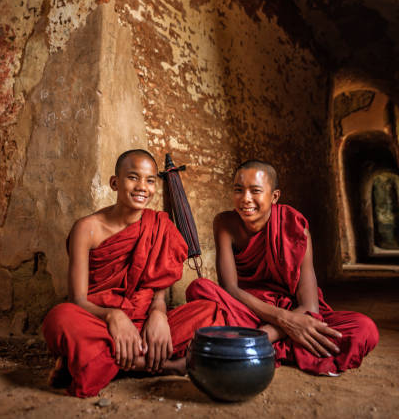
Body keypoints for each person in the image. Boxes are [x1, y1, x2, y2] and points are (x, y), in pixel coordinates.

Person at [43, 149, 224, 397]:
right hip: (101, 322)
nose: (142, 187)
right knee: (59, 318)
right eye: (133, 177)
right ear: (115, 183)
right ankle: (163, 365)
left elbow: (158, 290)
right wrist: (113, 317)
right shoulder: (86, 229)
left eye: (150, 180)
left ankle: (99, 361)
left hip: (145, 321)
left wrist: (159, 314)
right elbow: (77, 300)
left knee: (211, 313)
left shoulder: (160, 225)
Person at [186, 160, 379, 375]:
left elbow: (310, 307)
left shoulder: (294, 227)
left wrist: (270, 331)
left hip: (293, 311)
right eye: (238, 190)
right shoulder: (224, 223)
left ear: (274, 196)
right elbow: (230, 288)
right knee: (200, 288)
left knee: (364, 328)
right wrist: (284, 322)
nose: (245, 199)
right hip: (247, 309)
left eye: (255, 191)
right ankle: (265, 345)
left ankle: (247, 346)